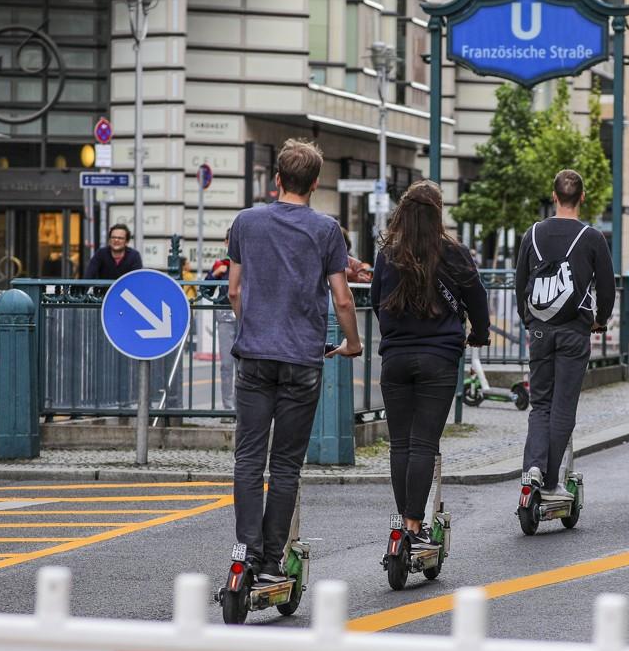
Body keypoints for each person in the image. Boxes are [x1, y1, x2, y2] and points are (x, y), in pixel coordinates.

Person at [227, 139, 361, 582]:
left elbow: (233, 290)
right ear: (316, 184)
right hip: (303, 358)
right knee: (285, 464)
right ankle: (269, 564)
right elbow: (342, 299)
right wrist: (353, 343)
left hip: (254, 355)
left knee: (248, 458)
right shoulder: (325, 230)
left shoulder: (245, 222)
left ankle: (245, 552)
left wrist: (253, 327)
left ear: (277, 179)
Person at [371, 181, 489, 543]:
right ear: (438, 214)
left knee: (400, 444)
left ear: (402, 211)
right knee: (423, 443)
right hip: (439, 358)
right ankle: (412, 526)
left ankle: (402, 527)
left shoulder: (388, 253)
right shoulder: (453, 252)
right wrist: (478, 334)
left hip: (396, 359)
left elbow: (377, 299)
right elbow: (477, 298)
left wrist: (395, 333)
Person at [515, 170, 615, 497]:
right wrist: (601, 319)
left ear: (554, 196)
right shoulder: (592, 237)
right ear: (582, 197)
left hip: (541, 330)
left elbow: (520, 283)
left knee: (540, 402)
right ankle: (549, 481)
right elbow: (607, 287)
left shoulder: (533, 233)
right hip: (575, 331)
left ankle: (532, 465)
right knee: (563, 407)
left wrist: (528, 320)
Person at [209, 232, 237, 414]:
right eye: (231, 241)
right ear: (226, 242)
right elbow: (205, 288)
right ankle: (228, 408)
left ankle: (243, 408)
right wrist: (214, 275)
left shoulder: (252, 263)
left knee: (246, 366)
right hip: (226, 316)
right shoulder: (221, 265)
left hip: (247, 318)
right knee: (227, 364)